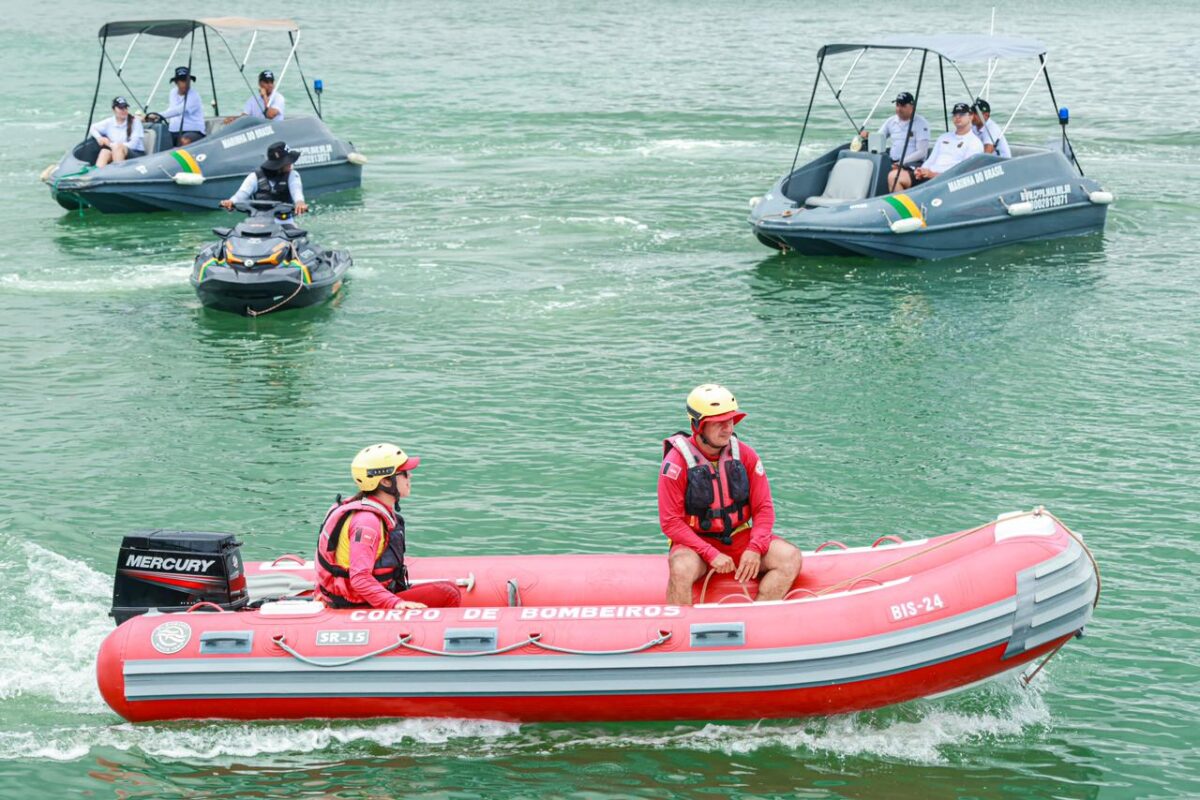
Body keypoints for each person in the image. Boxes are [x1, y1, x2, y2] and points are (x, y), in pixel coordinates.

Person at [658, 384, 802, 606]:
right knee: (681, 568)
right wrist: (709, 553)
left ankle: (758, 618)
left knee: (789, 557)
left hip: (738, 537)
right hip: (695, 544)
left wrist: (755, 548)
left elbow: (763, 508)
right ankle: (678, 632)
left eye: (731, 421)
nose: (727, 428)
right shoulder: (675, 465)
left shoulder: (745, 455)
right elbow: (671, 523)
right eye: (719, 423)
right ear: (698, 426)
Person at [315, 443, 462, 610]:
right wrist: (395, 603)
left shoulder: (367, 509)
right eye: (404, 473)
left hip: (357, 597)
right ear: (385, 481)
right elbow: (360, 578)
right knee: (448, 594)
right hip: (356, 605)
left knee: (448, 589)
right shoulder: (367, 523)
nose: (410, 477)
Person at [892, 102, 985, 189]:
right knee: (894, 176)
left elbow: (963, 175)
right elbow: (931, 160)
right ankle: (905, 205)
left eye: (961, 115)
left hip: (948, 183)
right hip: (929, 176)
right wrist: (921, 171)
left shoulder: (974, 143)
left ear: (971, 116)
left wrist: (932, 174)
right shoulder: (944, 137)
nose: (957, 117)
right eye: (955, 115)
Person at [863, 91, 931, 192]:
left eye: (903, 105)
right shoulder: (891, 121)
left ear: (912, 107)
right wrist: (868, 136)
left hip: (913, 164)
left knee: (894, 176)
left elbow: (922, 152)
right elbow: (879, 138)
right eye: (897, 105)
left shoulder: (921, 123)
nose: (899, 109)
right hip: (892, 161)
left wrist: (901, 163)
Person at [220, 140, 309, 215]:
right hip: (257, 220)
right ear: (278, 165)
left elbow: (297, 191)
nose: (290, 164)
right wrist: (231, 202)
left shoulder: (293, 175)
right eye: (287, 162)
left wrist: (300, 203)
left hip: (284, 220)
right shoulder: (254, 176)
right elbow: (241, 195)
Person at [89, 96, 144, 167]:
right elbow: (92, 127)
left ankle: (118, 173)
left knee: (118, 147)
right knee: (104, 152)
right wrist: (99, 138)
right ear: (114, 110)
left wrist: (111, 144)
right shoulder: (109, 122)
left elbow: (133, 145)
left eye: (125, 107)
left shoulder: (136, 122)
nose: (124, 110)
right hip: (116, 151)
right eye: (121, 108)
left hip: (137, 155)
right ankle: (96, 175)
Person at [161, 66, 206, 146]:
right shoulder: (173, 93)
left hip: (193, 131)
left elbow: (179, 110)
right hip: (173, 131)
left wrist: (160, 115)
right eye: (182, 81)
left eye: (187, 81)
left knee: (184, 140)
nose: (185, 84)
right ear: (176, 82)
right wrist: (154, 116)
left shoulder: (194, 96)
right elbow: (171, 109)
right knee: (160, 139)